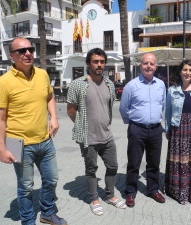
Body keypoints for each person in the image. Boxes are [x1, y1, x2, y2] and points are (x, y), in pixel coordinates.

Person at [0, 37, 66, 225]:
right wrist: (1, 149)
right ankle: (27, 220)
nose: (27, 53)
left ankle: (47, 212)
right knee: (25, 187)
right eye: (22, 51)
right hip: (19, 144)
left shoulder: (42, 74)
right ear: (12, 56)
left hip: (45, 140)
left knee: (51, 180)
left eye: (30, 49)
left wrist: (54, 118)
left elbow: (49, 97)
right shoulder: (3, 83)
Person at [66, 48, 126, 216]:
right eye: (95, 61)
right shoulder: (78, 84)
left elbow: (108, 107)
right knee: (91, 170)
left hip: (106, 135)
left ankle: (110, 196)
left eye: (101, 62)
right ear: (88, 64)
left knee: (113, 166)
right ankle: (94, 199)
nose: (99, 65)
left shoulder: (109, 84)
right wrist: (82, 126)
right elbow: (71, 110)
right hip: (88, 138)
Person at [119, 53, 166, 208]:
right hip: (137, 129)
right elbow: (123, 108)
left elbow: (163, 105)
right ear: (140, 66)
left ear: (156, 67)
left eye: (152, 64)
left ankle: (153, 189)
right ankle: (130, 192)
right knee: (134, 163)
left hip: (156, 130)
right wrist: (132, 124)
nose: (148, 66)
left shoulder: (161, 85)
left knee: (154, 163)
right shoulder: (131, 85)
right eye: (145, 63)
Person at [164, 59, 191, 205]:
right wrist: (167, 129)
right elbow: (168, 112)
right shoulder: (172, 90)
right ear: (180, 72)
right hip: (178, 127)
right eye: (185, 69)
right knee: (179, 160)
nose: (187, 72)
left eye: (190, 70)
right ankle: (179, 192)